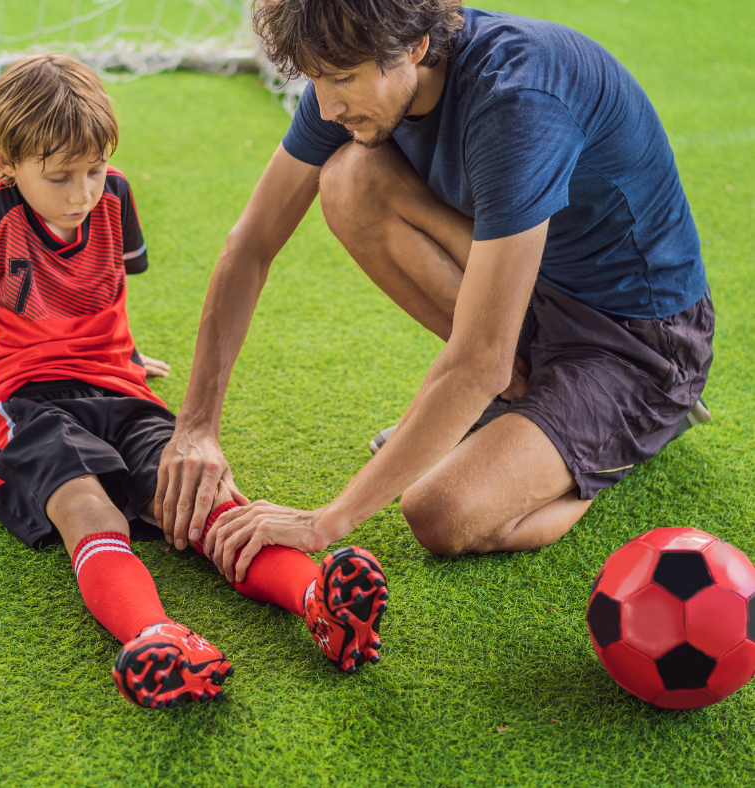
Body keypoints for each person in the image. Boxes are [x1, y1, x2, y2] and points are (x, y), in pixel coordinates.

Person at [0, 53, 388, 710]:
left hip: (122, 393)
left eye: (95, 170)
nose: (83, 193)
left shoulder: (116, 197)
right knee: (90, 510)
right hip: (26, 404)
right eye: (60, 176)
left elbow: (103, 290)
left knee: (204, 501)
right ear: (4, 161)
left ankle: (318, 600)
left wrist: (124, 357)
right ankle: (155, 637)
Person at [154, 0, 714, 582]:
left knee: (440, 512)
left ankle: (602, 449)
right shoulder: (350, 66)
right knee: (351, 180)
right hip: (528, 283)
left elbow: (478, 361)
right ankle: (529, 398)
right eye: (316, 80)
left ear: (416, 46)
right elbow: (249, 245)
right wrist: (195, 427)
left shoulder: (515, 100)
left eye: (343, 79)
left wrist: (325, 522)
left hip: (636, 339)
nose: (327, 105)